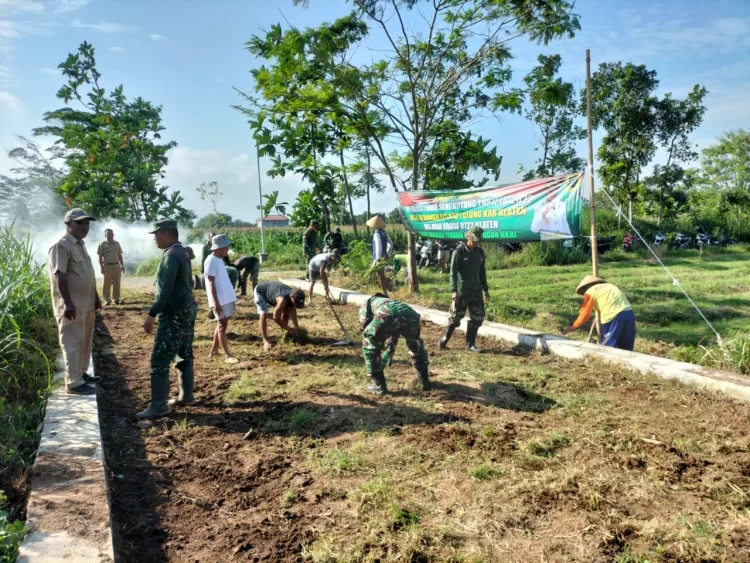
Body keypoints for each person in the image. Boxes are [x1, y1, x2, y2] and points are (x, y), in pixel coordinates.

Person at [138, 220, 198, 419]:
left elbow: (166, 290)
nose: (154, 238)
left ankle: (158, 405)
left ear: (166, 234)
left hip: (173, 313)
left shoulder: (172, 255)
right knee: (184, 352)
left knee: (159, 360)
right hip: (187, 309)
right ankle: (186, 395)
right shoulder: (181, 251)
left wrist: (152, 313)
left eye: (156, 234)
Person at [48, 208, 103, 395]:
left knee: (85, 341)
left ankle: (81, 373)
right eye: (80, 223)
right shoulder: (61, 246)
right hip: (72, 306)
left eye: (87, 223)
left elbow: (87, 275)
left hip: (86, 304)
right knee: (72, 342)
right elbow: (59, 276)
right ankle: (73, 382)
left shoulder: (80, 245)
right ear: (68, 224)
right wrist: (68, 303)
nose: (85, 226)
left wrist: (95, 297)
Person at [360, 294, 430, 395]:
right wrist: (389, 348)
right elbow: (394, 328)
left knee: (369, 343)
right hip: (412, 315)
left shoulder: (367, 302)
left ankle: (378, 385)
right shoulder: (392, 302)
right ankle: (424, 381)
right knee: (415, 342)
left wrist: (378, 342)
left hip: (387, 314)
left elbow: (365, 324)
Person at [438, 226, 490, 352]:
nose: (477, 242)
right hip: (462, 291)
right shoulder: (459, 252)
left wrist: (485, 289)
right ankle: (445, 337)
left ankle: (470, 344)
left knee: (478, 318)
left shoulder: (480, 253)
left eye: (479, 240)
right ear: (469, 237)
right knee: (455, 317)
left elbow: (482, 272)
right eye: (475, 240)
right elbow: (453, 273)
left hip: (476, 291)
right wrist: (454, 290)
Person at [563, 275, 636, 351]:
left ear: (587, 286)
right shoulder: (610, 286)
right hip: (629, 313)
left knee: (607, 348)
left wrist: (573, 327)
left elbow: (585, 314)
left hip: (612, 317)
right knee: (626, 347)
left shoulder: (590, 291)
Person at [203, 235, 239, 363]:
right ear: (218, 248)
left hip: (226, 298)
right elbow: (211, 283)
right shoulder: (211, 260)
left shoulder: (219, 259)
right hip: (220, 301)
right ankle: (227, 356)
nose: (228, 249)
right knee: (222, 326)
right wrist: (215, 303)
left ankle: (214, 351)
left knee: (222, 325)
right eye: (226, 247)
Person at [253, 281, 306, 351]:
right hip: (261, 291)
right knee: (263, 315)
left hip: (274, 290)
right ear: (292, 297)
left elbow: (293, 311)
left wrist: (297, 327)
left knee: (287, 311)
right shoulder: (282, 300)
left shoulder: (295, 294)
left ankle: (283, 333)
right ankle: (265, 340)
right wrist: (289, 329)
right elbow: (276, 318)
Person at [97, 228, 125, 305]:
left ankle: (116, 299)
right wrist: (101, 267)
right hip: (107, 266)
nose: (110, 235)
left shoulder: (117, 243)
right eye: (108, 234)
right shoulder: (102, 244)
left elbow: (120, 255)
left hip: (116, 265)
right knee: (106, 283)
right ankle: (107, 299)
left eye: (111, 234)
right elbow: (100, 257)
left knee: (117, 283)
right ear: (105, 235)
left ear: (113, 235)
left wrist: (122, 265)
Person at [366, 215, 392, 296]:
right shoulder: (384, 233)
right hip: (384, 256)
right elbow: (391, 244)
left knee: (380, 276)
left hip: (379, 258)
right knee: (380, 274)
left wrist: (377, 259)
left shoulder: (376, 234)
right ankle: (386, 288)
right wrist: (387, 252)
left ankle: (385, 293)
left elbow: (378, 247)